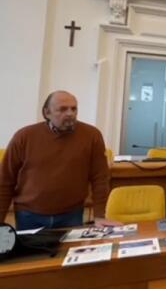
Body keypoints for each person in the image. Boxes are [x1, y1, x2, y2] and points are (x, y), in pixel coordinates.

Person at [0, 91, 120, 230]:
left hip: (71, 214)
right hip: (29, 214)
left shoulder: (92, 135)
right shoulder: (24, 137)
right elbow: (5, 180)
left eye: (73, 109)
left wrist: (100, 215)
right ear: (47, 112)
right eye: (62, 109)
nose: (70, 113)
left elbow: (100, 177)